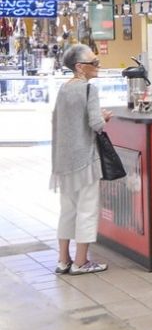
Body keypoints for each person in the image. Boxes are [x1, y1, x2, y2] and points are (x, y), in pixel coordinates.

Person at [50, 44, 112, 275]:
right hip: (85, 160)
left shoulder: (63, 89)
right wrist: (104, 117)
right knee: (87, 210)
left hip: (63, 161)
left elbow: (57, 121)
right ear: (79, 67)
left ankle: (63, 260)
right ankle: (81, 262)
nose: (98, 66)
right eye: (93, 62)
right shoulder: (88, 90)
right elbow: (96, 124)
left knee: (67, 210)